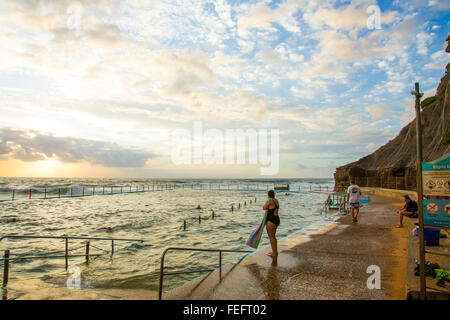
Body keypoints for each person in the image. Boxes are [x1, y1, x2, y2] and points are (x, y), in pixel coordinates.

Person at [263, 190, 280, 257]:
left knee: (271, 237)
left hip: (271, 221)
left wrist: (267, 201)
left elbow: (264, 207)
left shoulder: (270, 200)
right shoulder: (276, 200)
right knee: (273, 237)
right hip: (276, 219)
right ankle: (275, 252)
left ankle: (274, 253)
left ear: (268, 195)